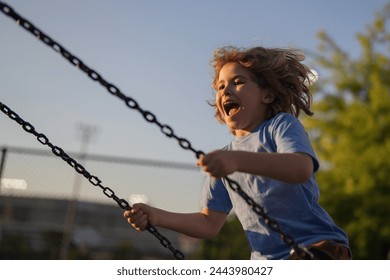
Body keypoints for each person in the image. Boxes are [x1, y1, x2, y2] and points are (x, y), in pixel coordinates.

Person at [124, 46, 351, 260]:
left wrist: (237, 161)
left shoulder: (279, 126)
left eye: (238, 82)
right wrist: (157, 216)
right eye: (220, 86)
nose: (226, 90)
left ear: (268, 95)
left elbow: (301, 168)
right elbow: (208, 223)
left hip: (316, 248)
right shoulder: (225, 160)